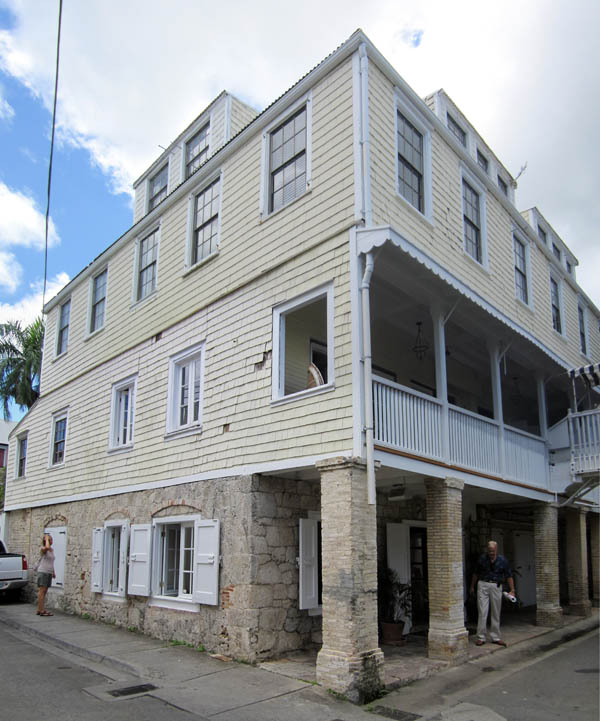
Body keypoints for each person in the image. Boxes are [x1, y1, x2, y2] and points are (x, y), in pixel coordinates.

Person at [469, 540, 515, 647]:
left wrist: (512, 590)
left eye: (493, 551)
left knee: (496, 611)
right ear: (487, 550)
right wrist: (472, 586)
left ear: (496, 550)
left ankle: (496, 637)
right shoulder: (482, 559)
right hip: (483, 584)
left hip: (496, 586)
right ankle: (481, 637)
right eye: (489, 551)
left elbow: (509, 575)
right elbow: (475, 573)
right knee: (482, 611)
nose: (491, 553)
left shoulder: (502, 560)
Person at [36, 533, 56, 616]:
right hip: (43, 572)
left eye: (51, 539)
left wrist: (53, 572)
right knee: (42, 591)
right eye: (50, 539)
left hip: (48, 572)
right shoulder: (43, 549)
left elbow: (50, 562)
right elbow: (47, 547)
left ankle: (40, 609)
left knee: (44, 592)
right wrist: (46, 538)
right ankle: (41, 610)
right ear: (46, 541)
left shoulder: (52, 550)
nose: (51, 541)